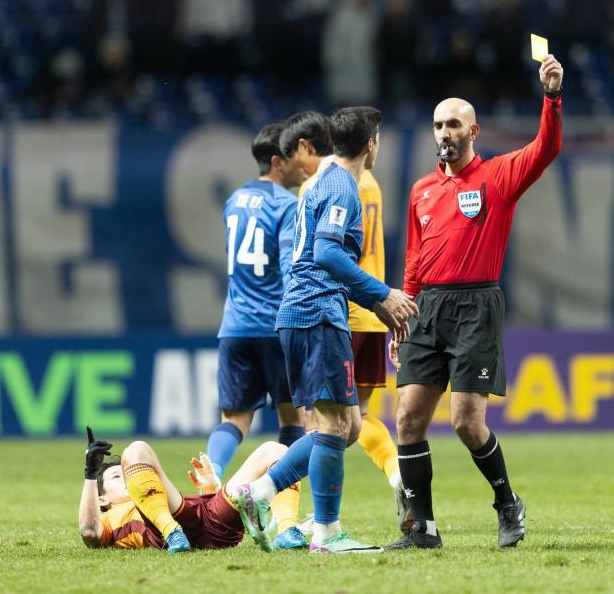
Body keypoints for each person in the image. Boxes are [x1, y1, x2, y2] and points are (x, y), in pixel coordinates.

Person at [387, 55, 564, 550]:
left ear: (474, 131)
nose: (445, 132)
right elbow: (415, 258)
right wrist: (403, 314)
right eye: (438, 125)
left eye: (454, 125)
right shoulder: (422, 189)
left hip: (475, 306)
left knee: (466, 420)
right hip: (427, 308)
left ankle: (507, 503)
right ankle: (422, 529)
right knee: (407, 417)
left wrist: (551, 97)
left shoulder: (499, 177)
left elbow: (546, 149)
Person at [232, 106, 419, 554]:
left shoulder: (320, 181)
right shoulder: (341, 186)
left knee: (349, 425)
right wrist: (382, 295)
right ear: (371, 144)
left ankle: (257, 494)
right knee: (336, 426)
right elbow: (328, 256)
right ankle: (327, 533)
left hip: (307, 313)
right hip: (316, 315)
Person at [208, 122, 306, 486]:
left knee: (232, 421)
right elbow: (288, 268)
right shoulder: (286, 204)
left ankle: (213, 474)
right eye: (296, 158)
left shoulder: (234, 200)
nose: (302, 166)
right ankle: (278, 507)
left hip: (234, 325)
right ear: (278, 161)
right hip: (275, 325)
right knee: (293, 421)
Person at [78, 427, 281, 552]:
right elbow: (88, 531)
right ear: (102, 499)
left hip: (211, 524)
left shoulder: (154, 492)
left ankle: (287, 531)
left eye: (128, 471)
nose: (128, 476)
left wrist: (211, 488)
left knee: (274, 449)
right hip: (164, 530)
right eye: (116, 476)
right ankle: (171, 531)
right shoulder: (110, 520)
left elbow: (199, 521)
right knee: (136, 448)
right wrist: (90, 472)